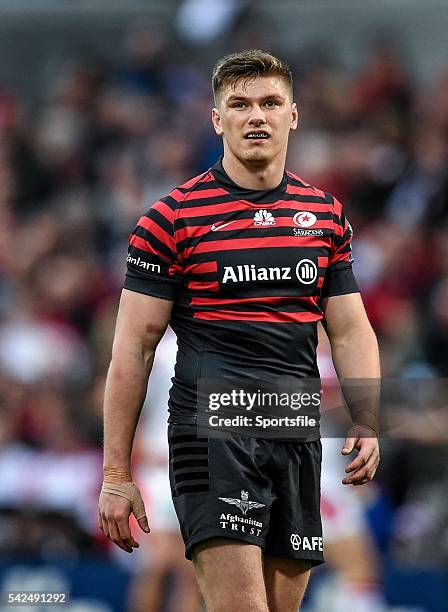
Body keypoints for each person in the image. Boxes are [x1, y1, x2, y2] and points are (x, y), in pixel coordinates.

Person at [99, 49, 381, 612]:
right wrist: (115, 471)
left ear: (293, 116)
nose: (257, 116)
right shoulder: (172, 217)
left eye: (270, 103)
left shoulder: (324, 214)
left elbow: (350, 329)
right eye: (240, 104)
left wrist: (368, 418)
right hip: (212, 436)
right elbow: (133, 347)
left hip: (294, 435)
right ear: (216, 119)